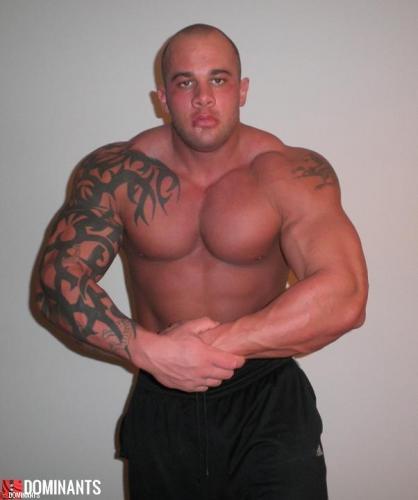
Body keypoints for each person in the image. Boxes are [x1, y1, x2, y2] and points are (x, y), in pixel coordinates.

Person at [35, 23, 368, 500]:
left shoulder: (290, 172)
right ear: (163, 98)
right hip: (162, 398)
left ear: (242, 90)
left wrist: (212, 347)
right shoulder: (116, 173)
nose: (203, 98)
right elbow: (55, 285)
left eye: (219, 79)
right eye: (185, 82)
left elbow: (345, 294)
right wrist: (150, 352)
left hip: (267, 400)